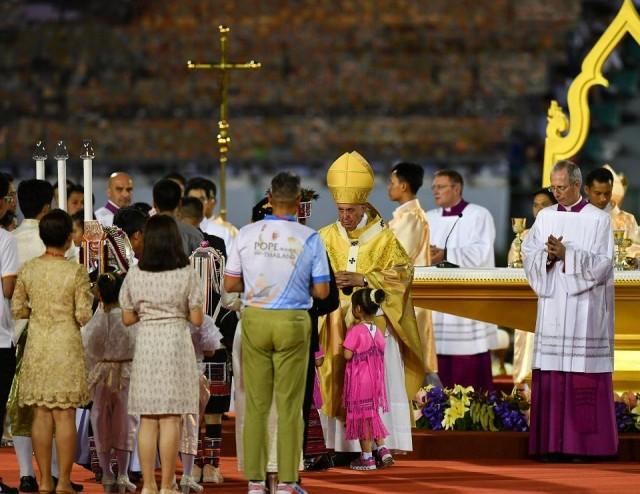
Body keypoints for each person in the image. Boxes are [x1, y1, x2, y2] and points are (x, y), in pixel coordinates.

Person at [224, 171, 330, 494]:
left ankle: (256, 482)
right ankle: (286, 481)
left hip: (256, 319)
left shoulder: (245, 234)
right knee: (289, 404)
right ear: (299, 202)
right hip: (293, 322)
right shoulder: (310, 238)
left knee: (256, 403)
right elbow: (323, 292)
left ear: (269, 199)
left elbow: (229, 284)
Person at [317, 151, 423, 458]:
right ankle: (338, 444)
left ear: (363, 206)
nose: (345, 216)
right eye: (340, 209)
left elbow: (404, 273)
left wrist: (364, 279)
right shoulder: (325, 236)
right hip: (334, 323)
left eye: (350, 210)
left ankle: (374, 443)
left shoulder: (384, 239)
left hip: (370, 324)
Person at [522, 160, 617, 460]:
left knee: (581, 374)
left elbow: (604, 263)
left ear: (577, 185)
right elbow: (528, 252)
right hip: (552, 303)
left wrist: (568, 255)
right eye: (553, 187)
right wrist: (546, 258)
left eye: (561, 187)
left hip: (583, 308)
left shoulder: (598, 220)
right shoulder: (545, 217)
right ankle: (549, 445)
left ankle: (584, 447)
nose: (556, 193)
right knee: (552, 373)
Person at [119, 214, 204, 494]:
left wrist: (149, 313)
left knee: (147, 417)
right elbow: (196, 319)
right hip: (176, 345)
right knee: (170, 418)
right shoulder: (187, 273)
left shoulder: (135, 273)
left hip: (147, 346)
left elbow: (128, 318)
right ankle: (168, 485)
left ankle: (149, 485)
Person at [12, 209, 93, 494]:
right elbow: (84, 315)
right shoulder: (75, 271)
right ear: (69, 238)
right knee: (65, 416)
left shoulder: (30, 269)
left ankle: (44, 480)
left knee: (41, 415)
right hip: (65, 345)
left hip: (38, 345)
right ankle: (63, 482)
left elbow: (17, 309)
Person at [425, 169, 497, 390]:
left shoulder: (479, 214)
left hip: (467, 303)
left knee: (468, 365)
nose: (435, 191)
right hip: (437, 302)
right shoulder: (429, 217)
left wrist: (446, 254)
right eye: (434, 187)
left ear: (456, 188)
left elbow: (482, 253)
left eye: (440, 186)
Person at [83, 273, 137, 493]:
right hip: (126, 374)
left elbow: (88, 349)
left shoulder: (96, 320)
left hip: (102, 376)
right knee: (125, 424)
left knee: (101, 422)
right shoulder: (128, 319)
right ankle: (122, 473)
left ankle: (106, 473)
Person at [387, 161, 438, 382]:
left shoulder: (411, 218)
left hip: (406, 299)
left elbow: (397, 260)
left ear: (404, 186)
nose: (389, 187)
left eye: (392, 182)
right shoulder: (405, 216)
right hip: (402, 297)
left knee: (411, 367)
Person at [507, 189, 556, 386]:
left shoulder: (561, 234)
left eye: (544, 204)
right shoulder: (524, 235)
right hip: (527, 302)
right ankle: (523, 396)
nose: (539, 209)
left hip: (553, 302)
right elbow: (513, 265)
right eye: (536, 205)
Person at [342, 288, 393, 471]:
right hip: (374, 382)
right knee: (372, 415)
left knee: (362, 418)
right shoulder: (378, 331)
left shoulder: (356, 331)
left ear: (357, 309)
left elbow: (347, 354)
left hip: (359, 381)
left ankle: (367, 458)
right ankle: (383, 449)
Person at [585, 166, 640, 260]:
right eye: (597, 193)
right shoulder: (575, 216)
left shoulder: (627, 220)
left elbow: (637, 250)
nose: (603, 199)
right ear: (587, 190)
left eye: (607, 193)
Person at [153, 179, 203, 255]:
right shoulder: (193, 234)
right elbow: (202, 264)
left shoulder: (143, 233)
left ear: (154, 204)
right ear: (180, 204)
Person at [184, 177, 236, 248]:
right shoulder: (176, 231)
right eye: (192, 200)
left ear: (208, 202)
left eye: (201, 199)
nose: (197, 204)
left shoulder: (222, 233)